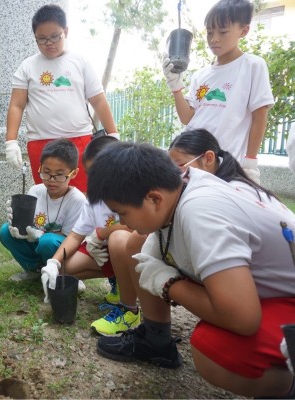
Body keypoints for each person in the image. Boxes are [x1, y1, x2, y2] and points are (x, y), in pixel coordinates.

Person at [87, 141, 295, 398]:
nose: (122, 222)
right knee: (137, 243)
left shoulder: (201, 213)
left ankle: (287, 386)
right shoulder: (184, 179)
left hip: (287, 298)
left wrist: (168, 283)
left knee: (212, 351)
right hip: (267, 287)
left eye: (123, 213)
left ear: (154, 198)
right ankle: (156, 340)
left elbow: (243, 319)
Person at [4, 3, 118, 192]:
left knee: (83, 196)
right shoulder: (27, 66)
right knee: (48, 196)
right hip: (41, 143)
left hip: (79, 140)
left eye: (55, 36)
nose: (49, 43)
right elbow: (17, 105)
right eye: (42, 39)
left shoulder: (79, 62)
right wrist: (11, 142)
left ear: (66, 31)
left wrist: (113, 135)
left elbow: (98, 100)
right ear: (35, 38)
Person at [162, 0, 274, 184]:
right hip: (192, 160)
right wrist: (175, 87)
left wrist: (250, 163)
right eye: (209, 32)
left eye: (222, 32)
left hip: (223, 164)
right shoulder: (201, 74)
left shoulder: (252, 66)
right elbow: (188, 119)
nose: (214, 38)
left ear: (244, 31)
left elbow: (260, 116)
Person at [40, 136, 135, 320]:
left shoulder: (133, 192)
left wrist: (101, 233)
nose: (96, 179)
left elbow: (137, 228)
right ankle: (117, 278)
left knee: (117, 239)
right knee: (63, 271)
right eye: (92, 173)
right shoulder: (94, 199)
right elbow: (75, 236)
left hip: (129, 252)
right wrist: (54, 262)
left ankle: (128, 307)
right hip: (101, 251)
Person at [0, 139, 85, 282]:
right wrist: (16, 220)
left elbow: (72, 238)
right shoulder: (35, 191)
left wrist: (39, 235)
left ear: (74, 173)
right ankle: (34, 269)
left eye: (59, 174)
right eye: (46, 172)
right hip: (39, 241)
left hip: (59, 248)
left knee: (47, 241)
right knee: (5, 231)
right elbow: (28, 224)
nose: (51, 180)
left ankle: (65, 274)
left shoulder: (77, 200)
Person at [169, 128, 288, 213]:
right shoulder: (218, 186)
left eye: (180, 166)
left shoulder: (231, 193)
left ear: (208, 158)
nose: (176, 174)